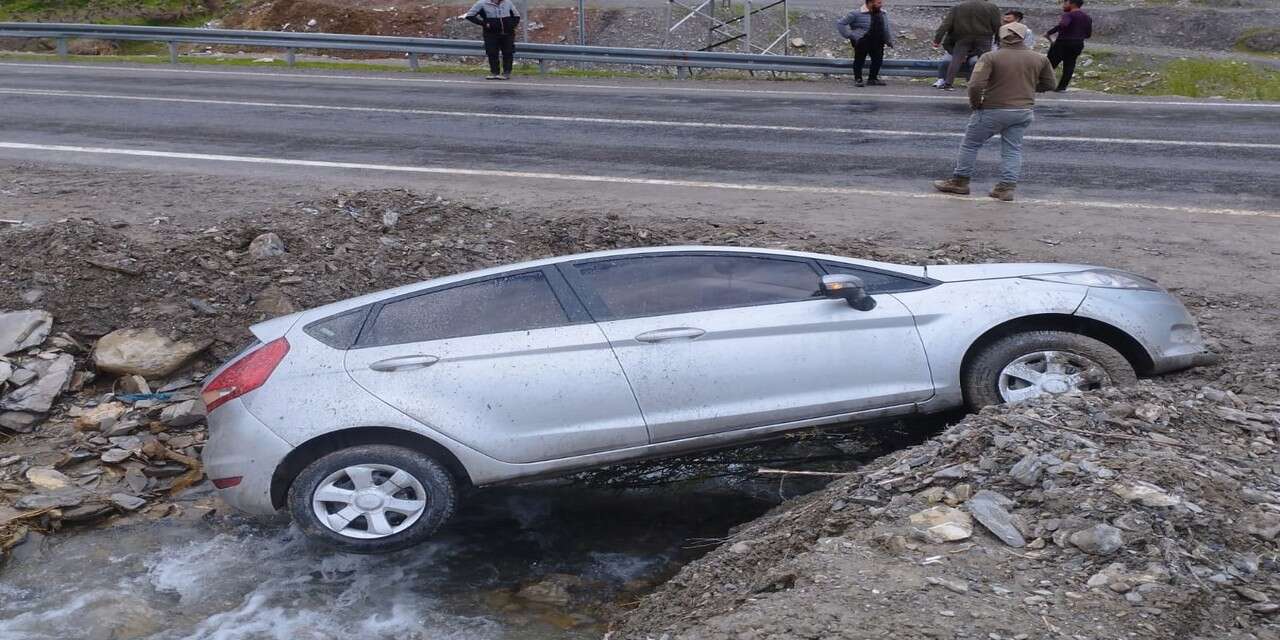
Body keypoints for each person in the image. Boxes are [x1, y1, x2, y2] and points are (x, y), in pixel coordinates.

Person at [933, 21, 1055, 202]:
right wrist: (1026, 89)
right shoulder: (1039, 58)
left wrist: (976, 104)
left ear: (1001, 37)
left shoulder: (990, 57)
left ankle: (960, 181)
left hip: (993, 109)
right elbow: (1050, 84)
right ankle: (1006, 188)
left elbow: (975, 84)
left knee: (971, 144)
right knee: (1012, 150)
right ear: (1023, 37)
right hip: (1023, 110)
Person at [933, 0, 1002, 90]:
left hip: (962, 37)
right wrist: (998, 39)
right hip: (984, 37)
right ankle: (986, 84)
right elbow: (997, 24)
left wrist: (937, 40)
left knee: (956, 60)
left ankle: (948, 83)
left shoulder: (958, 7)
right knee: (985, 61)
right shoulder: (992, 7)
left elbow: (946, 24)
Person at [837, 0, 895, 87]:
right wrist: (850, 35)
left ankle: (872, 79)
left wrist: (888, 40)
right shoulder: (856, 13)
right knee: (859, 60)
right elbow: (841, 23)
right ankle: (858, 79)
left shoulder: (882, 13)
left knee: (878, 60)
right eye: (878, 3)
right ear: (870, 3)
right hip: (863, 41)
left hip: (878, 41)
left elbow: (886, 28)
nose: (881, 5)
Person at [464, 0, 521, 80]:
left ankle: (506, 72)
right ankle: (494, 72)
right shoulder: (482, 3)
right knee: (492, 52)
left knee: (508, 52)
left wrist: (511, 26)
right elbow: (470, 16)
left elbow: (517, 16)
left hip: (508, 33)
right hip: (490, 34)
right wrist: (485, 24)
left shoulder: (508, 2)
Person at [1045, 0, 1091, 91]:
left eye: (1065, 3)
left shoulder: (1069, 14)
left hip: (1063, 43)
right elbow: (1088, 34)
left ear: (1072, 4)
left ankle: (1041, 84)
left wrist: (1049, 33)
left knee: (1049, 64)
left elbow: (1063, 24)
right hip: (1078, 44)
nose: (1063, 6)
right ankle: (1062, 87)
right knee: (1069, 64)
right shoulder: (1087, 17)